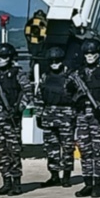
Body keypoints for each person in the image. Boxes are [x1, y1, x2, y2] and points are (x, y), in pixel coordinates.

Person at [68, 39, 100, 198]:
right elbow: (68, 92)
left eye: (93, 53)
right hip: (82, 115)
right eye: (87, 53)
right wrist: (73, 90)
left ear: (98, 54)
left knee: (98, 151)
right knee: (85, 150)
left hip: (98, 116)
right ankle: (87, 183)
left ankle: (98, 183)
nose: (90, 56)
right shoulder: (77, 74)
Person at [0, 42, 34, 197]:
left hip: (11, 118)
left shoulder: (18, 74)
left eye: (4, 57)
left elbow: (28, 92)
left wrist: (19, 108)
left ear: (10, 58)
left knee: (14, 150)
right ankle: (6, 182)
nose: (0, 60)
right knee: (0, 151)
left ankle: (16, 183)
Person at [33, 46, 76, 189]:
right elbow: (39, 97)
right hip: (49, 116)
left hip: (66, 116)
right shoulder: (45, 77)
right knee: (51, 148)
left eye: (57, 60)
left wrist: (75, 116)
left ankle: (66, 176)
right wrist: (38, 115)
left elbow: (78, 97)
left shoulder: (71, 76)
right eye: (52, 60)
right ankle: (54, 175)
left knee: (67, 148)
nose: (54, 63)